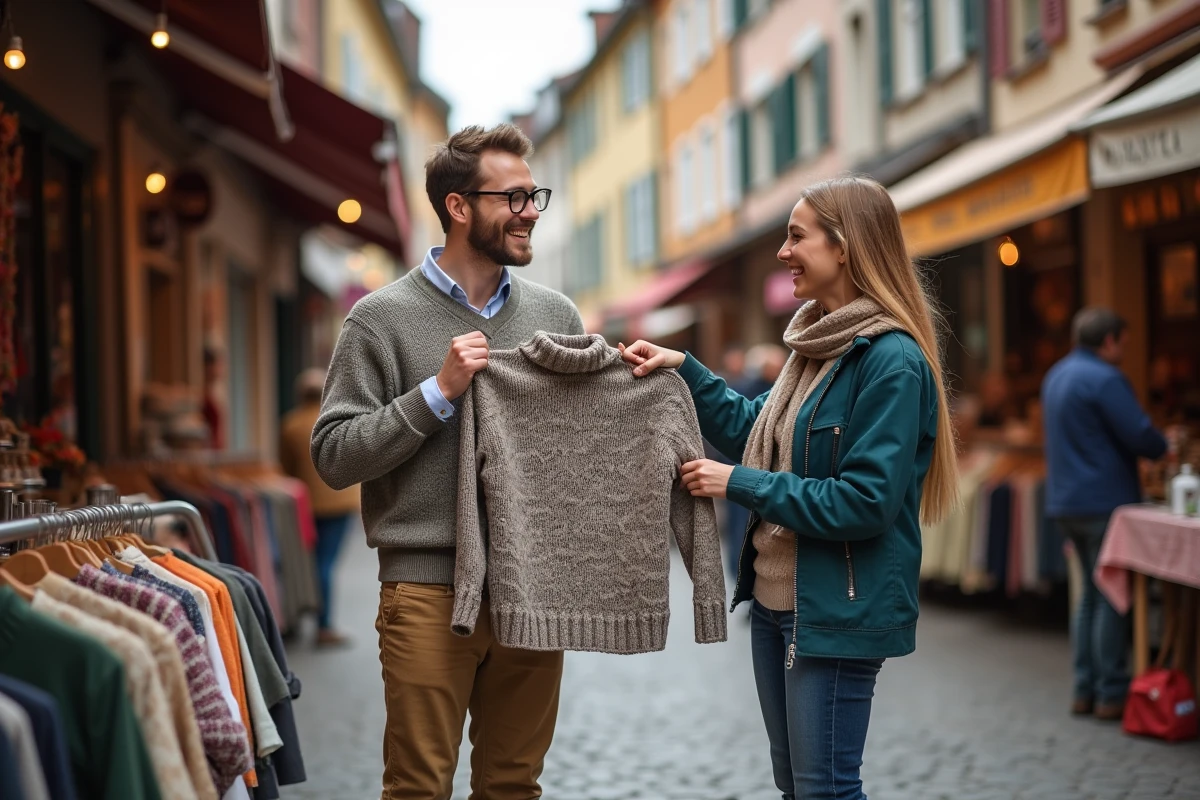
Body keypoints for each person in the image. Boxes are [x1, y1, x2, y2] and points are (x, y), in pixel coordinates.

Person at [619, 176, 957, 800]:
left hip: (836, 608)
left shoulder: (890, 360)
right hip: (780, 605)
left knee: (825, 787)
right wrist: (687, 372)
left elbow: (865, 501)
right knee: (797, 786)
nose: (782, 252)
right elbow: (761, 432)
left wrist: (737, 484)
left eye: (796, 236)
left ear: (846, 247)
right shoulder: (816, 345)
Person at [311, 123, 584, 800]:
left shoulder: (558, 315)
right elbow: (334, 456)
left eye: (533, 196)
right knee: (418, 787)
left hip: (532, 589)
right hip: (426, 590)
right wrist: (436, 393)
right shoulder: (379, 318)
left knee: (514, 785)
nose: (530, 212)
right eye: (512, 197)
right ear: (459, 207)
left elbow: (576, 454)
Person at [1041, 308, 1167, 721]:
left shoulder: (1055, 375)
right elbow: (1140, 434)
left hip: (1066, 502)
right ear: (1109, 341)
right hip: (1104, 503)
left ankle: (1084, 689)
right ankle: (1111, 693)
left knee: (1089, 598)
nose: (1124, 351)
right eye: (1124, 343)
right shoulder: (1106, 379)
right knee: (1111, 597)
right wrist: (1164, 446)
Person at [279, 368, 360, 648]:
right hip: (341, 500)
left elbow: (286, 468)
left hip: (307, 503)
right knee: (326, 563)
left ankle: (301, 617)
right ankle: (324, 626)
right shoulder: (336, 418)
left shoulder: (290, 424)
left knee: (309, 562)